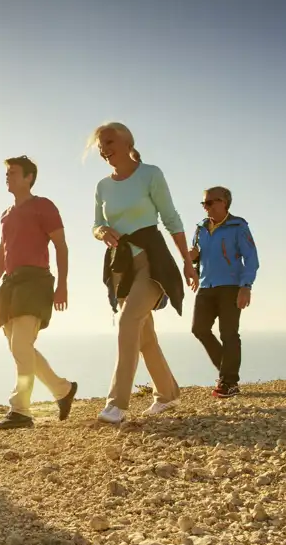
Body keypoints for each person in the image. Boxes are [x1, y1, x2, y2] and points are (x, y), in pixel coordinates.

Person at [89, 122, 198, 424]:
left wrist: (187, 262)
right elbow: (96, 224)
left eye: (109, 142)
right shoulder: (102, 186)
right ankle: (167, 394)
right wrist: (102, 231)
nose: (104, 150)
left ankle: (116, 404)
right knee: (144, 334)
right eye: (100, 146)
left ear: (127, 142)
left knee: (127, 321)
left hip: (153, 262)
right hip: (121, 265)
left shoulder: (151, 174)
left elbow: (171, 218)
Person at [0, 156, 78, 430]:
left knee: (20, 346)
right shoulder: (6, 214)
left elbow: (61, 246)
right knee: (20, 348)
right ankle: (63, 390)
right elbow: (1, 253)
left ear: (29, 178)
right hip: (11, 284)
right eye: (7, 173)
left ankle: (21, 410)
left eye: (13, 172)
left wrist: (62, 285)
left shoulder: (44, 206)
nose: (8, 176)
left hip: (36, 282)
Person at [189, 187, 259, 398]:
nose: (206, 207)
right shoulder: (200, 228)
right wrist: (193, 259)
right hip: (206, 286)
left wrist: (246, 286)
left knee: (228, 334)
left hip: (230, 286)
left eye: (211, 202)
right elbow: (197, 256)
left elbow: (252, 259)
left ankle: (229, 382)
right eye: (204, 203)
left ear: (225, 202)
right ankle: (227, 373)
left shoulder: (238, 226)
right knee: (199, 329)